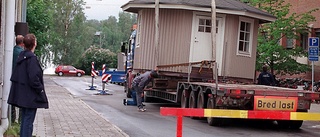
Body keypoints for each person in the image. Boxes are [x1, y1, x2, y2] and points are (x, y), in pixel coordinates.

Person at [8, 34, 49, 137]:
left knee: (25, 121)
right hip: (30, 96)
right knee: (28, 122)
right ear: (34, 44)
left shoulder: (21, 57)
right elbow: (34, 78)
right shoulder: (31, 59)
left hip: (22, 94)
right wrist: (41, 90)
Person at [10, 35, 25, 124]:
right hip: (20, 79)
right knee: (21, 101)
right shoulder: (21, 53)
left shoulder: (13, 51)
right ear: (22, 43)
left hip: (13, 78)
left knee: (13, 99)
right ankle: (20, 121)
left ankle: (12, 118)